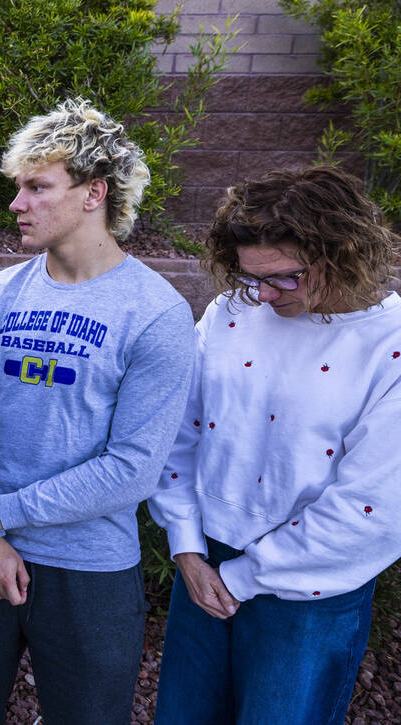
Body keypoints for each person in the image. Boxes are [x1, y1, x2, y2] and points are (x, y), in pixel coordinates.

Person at [0, 98, 195, 724]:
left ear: (94, 193)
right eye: (18, 187)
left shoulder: (155, 313)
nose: (16, 203)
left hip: (88, 572)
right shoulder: (0, 292)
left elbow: (133, 467)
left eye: (36, 187)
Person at [149, 166, 401, 724]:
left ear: (345, 252)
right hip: (204, 559)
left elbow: (374, 509)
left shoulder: (391, 345)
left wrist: (242, 577)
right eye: (249, 277)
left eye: (286, 276)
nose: (263, 294)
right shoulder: (230, 313)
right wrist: (187, 546)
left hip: (311, 592)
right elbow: (178, 433)